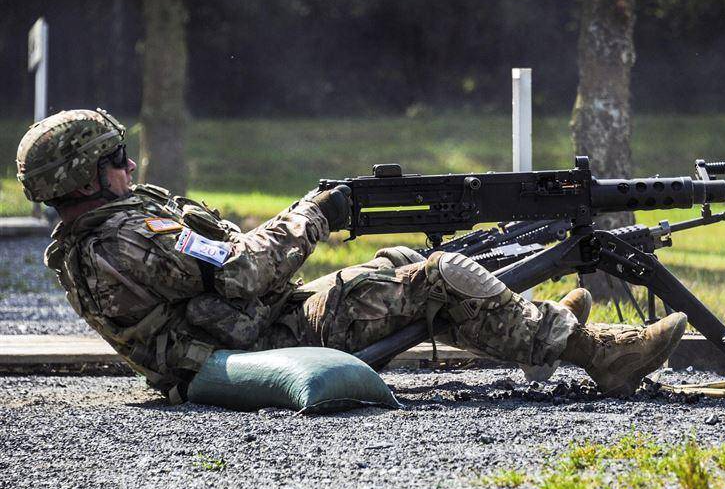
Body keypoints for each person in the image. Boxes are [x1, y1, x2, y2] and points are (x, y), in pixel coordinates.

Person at [16, 109, 688, 403]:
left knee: (400, 262)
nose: (130, 165)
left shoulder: (98, 237)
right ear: (82, 177)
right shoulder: (126, 240)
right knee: (439, 277)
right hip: (263, 342)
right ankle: (602, 355)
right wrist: (316, 214)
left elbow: (221, 274)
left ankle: (537, 329)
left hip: (250, 331)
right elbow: (245, 270)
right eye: (115, 160)